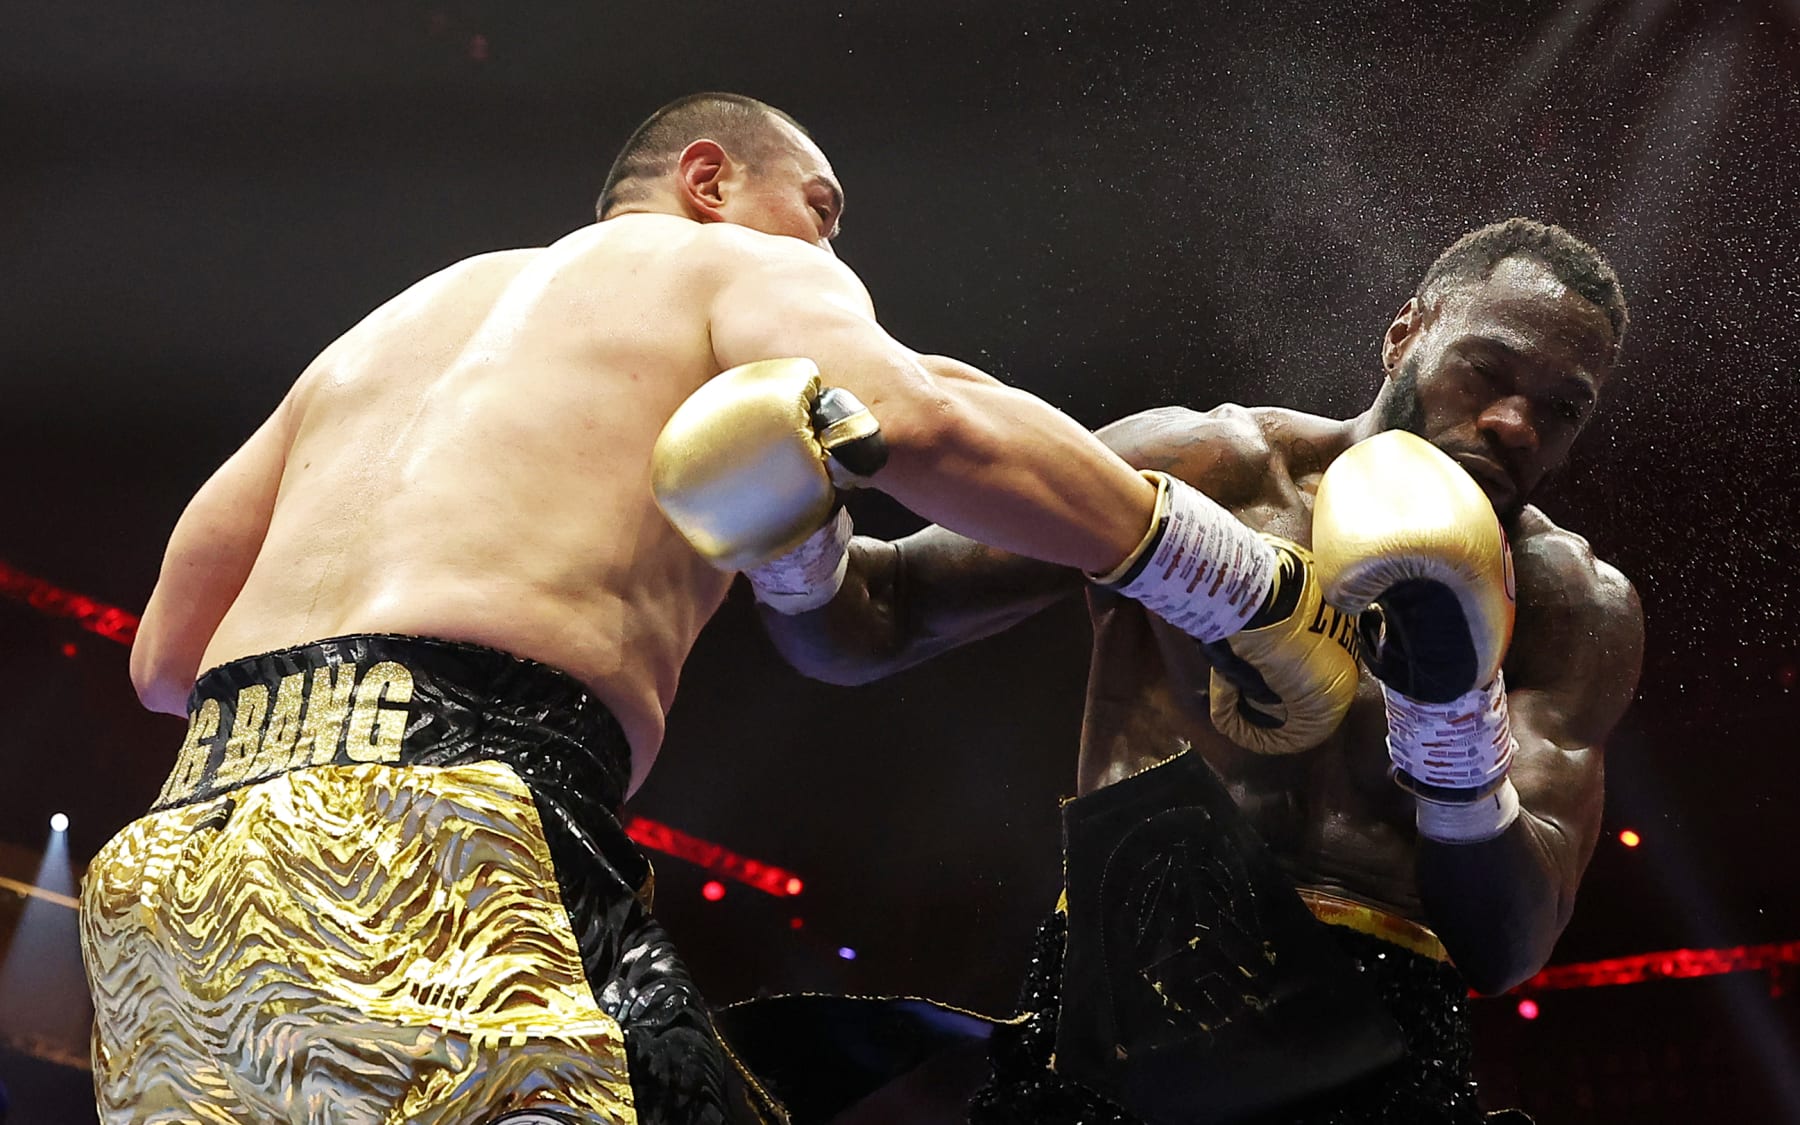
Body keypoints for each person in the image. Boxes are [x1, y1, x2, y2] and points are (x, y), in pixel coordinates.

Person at [79, 92, 1328, 1125]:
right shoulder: (730, 264)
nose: (833, 262)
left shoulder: (386, 327)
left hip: (175, 868)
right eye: (821, 216)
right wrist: (1228, 577)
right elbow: (926, 416)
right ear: (708, 177)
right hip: (447, 821)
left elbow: (163, 660)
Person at [754, 218, 1646, 1123]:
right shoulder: (1211, 470)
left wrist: (1453, 719)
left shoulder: (1570, 604)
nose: (1514, 423)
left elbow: (1508, 944)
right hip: (1126, 1007)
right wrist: (784, 529)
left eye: (1562, 407)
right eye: (1488, 372)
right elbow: (879, 617)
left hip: (1389, 1059)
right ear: (1404, 334)